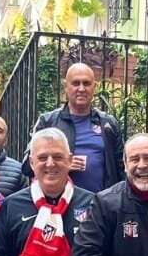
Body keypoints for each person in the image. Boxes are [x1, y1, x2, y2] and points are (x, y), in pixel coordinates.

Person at [0, 129, 99, 256]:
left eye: (58, 157)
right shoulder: (12, 205)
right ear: (31, 163)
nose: (50, 163)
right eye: (42, 158)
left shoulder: (93, 204)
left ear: (70, 160)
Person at [30, 62, 124, 192]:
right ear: (65, 87)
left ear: (94, 87)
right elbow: (28, 166)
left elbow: (122, 169)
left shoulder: (108, 124)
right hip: (59, 205)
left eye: (86, 83)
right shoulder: (47, 122)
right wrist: (61, 164)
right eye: (75, 83)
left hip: (102, 205)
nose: (81, 89)